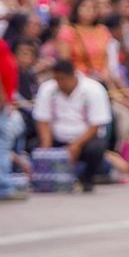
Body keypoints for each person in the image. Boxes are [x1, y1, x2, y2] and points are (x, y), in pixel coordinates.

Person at [34, 58, 112, 191]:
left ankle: (87, 179)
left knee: (97, 148)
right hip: (57, 139)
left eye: (63, 79)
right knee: (34, 147)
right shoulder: (48, 89)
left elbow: (96, 124)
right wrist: (46, 146)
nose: (60, 83)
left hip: (84, 139)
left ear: (73, 76)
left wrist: (75, 145)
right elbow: (43, 119)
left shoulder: (93, 89)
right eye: (57, 79)